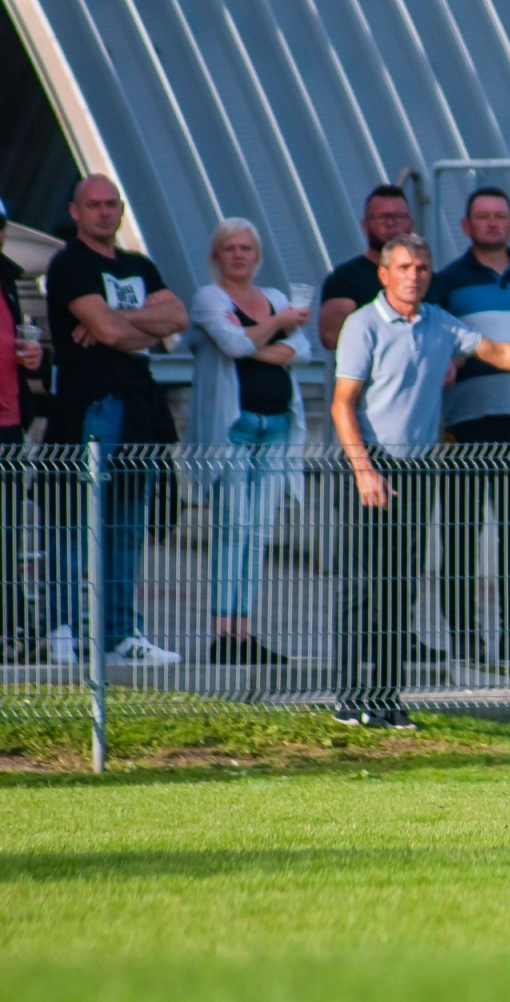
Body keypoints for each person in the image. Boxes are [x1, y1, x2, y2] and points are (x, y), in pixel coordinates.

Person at [331, 233, 510, 728]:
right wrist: (364, 470)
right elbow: (341, 404)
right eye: (404, 267)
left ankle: (387, 698)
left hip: (417, 468)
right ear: (384, 274)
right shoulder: (363, 324)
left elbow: (499, 352)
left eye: (421, 268)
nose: (414, 276)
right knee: (363, 584)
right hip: (369, 467)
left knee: (401, 586)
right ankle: (350, 697)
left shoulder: (438, 322)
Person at [42, 175, 188, 665]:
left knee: (126, 523)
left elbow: (177, 318)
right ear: (76, 211)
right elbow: (108, 332)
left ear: (121, 210)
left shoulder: (138, 265)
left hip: (138, 408)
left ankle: (120, 633)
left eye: (111, 204)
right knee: (73, 519)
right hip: (90, 405)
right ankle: (62, 628)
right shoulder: (70, 263)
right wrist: (123, 323)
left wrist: (115, 320)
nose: (104, 212)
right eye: (94, 205)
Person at [426, 187, 510, 664]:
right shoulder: (446, 281)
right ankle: (465, 635)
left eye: (500, 216)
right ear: (466, 226)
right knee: (461, 531)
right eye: (483, 216)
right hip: (466, 419)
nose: (492, 223)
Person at [185, 218, 312, 664]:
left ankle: (244, 630)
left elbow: (302, 350)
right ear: (217, 255)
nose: (239, 255)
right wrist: (275, 326)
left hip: (276, 427)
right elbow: (232, 346)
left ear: (257, 256)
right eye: (230, 248)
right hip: (233, 428)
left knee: (258, 531)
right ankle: (222, 631)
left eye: (246, 248)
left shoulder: (274, 296)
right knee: (231, 527)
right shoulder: (210, 298)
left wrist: (251, 339)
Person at [0, 198, 44, 661]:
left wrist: (35, 357)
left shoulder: (8, 281)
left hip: (9, 424)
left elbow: (22, 346)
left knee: (9, 532)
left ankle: (12, 627)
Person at [318, 185, 413, 351]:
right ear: (365, 225)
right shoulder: (344, 280)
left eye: (398, 216)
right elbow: (331, 337)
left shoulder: (428, 280)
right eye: (382, 217)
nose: (391, 223)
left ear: (410, 225)